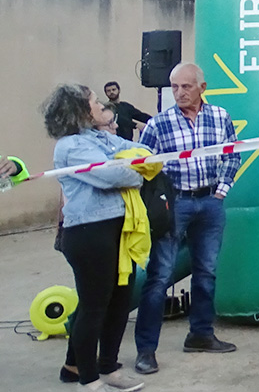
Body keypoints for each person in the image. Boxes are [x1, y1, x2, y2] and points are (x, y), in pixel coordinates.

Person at [132, 64, 240, 375]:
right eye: (174, 87)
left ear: (202, 87)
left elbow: (233, 153)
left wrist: (221, 190)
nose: (179, 93)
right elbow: (141, 165)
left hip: (209, 202)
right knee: (159, 277)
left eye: (186, 87)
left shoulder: (220, 116)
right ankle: (146, 350)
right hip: (174, 205)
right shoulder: (159, 124)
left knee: (206, 273)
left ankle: (201, 335)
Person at [47, 84, 150, 392]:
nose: (100, 104)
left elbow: (145, 155)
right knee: (94, 306)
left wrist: (137, 164)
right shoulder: (70, 146)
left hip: (119, 228)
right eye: (93, 102)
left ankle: (109, 366)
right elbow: (114, 175)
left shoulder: (100, 137)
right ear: (79, 110)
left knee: (121, 301)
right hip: (89, 233)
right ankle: (88, 378)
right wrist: (138, 173)